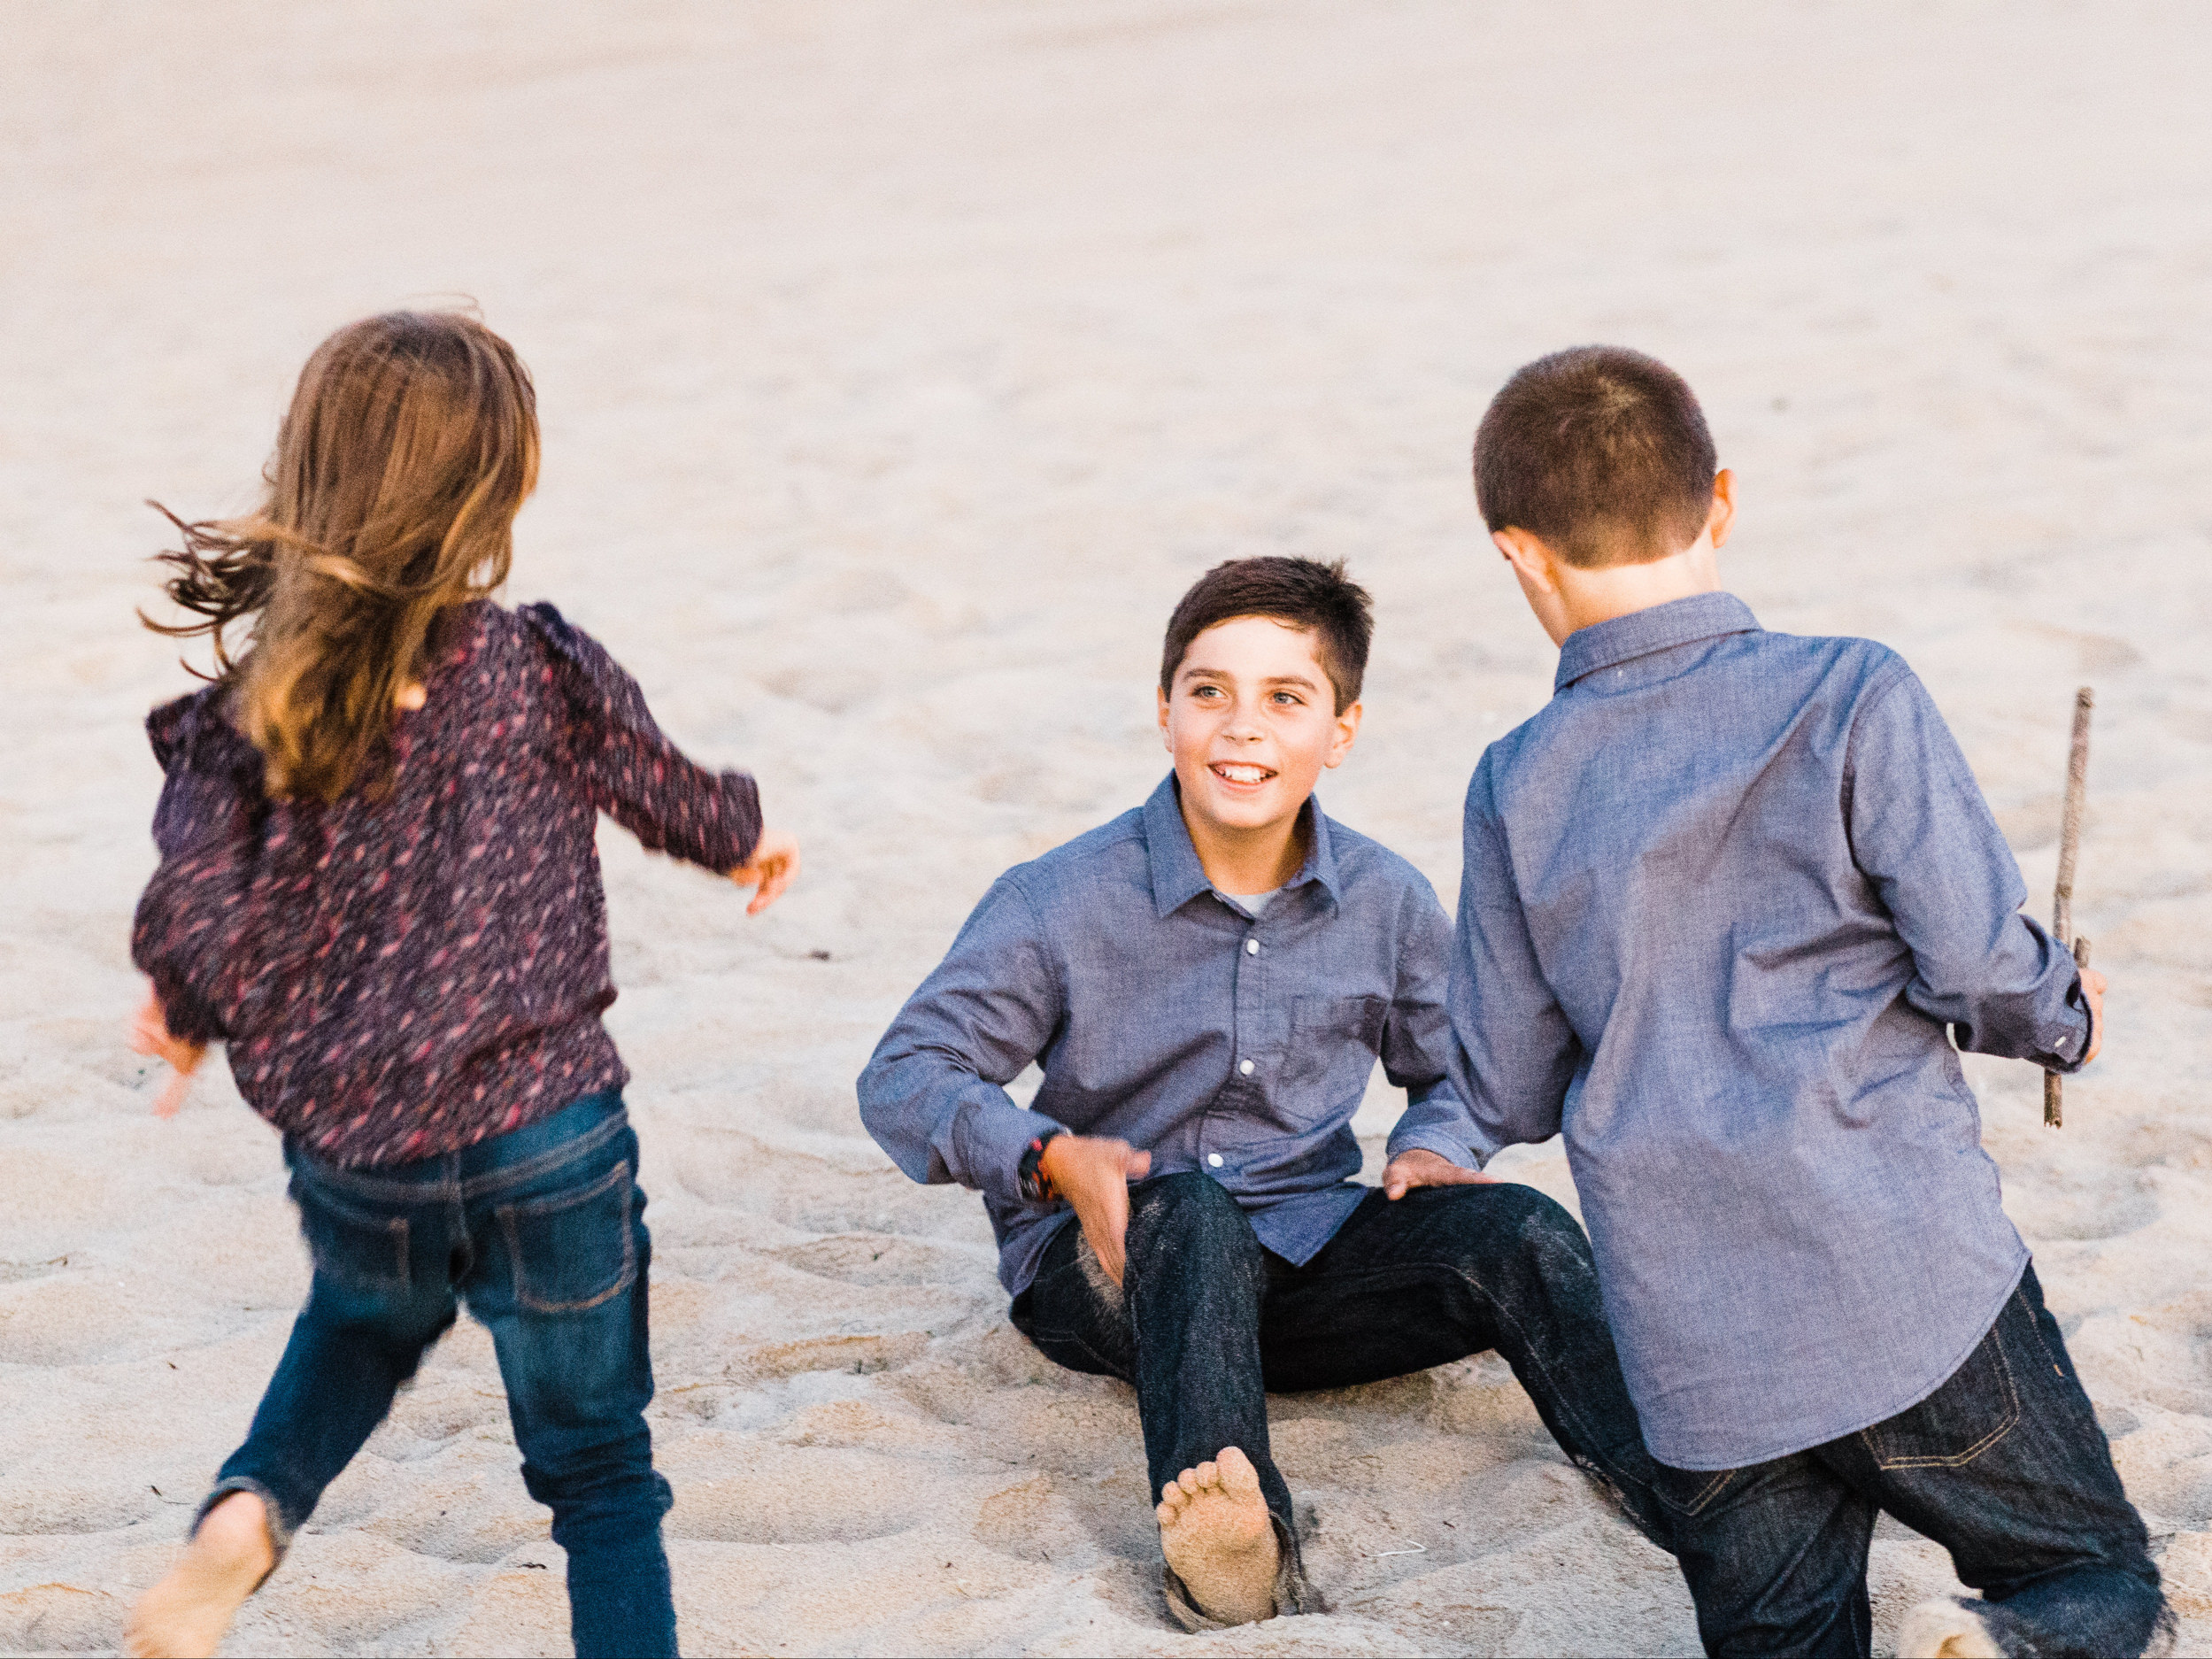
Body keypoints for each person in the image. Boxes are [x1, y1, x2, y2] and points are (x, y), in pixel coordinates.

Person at [1449, 344, 2169, 1659]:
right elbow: (1970, 962)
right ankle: (2003, 1644)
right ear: (1718, 501)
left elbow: (1497, 1080)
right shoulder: (1849, 692)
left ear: (1515, 554)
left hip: (1700, 1356)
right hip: (1903, 1282)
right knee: (2089, 1572)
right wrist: (2058, 1012)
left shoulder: (1512, 782)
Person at [121, 311, 798, 1659]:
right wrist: (743, 835)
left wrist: (184, 1015)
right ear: (497, 492)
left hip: (359, 1142)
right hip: (546, 1130)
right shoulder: (535, 662)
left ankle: (249, 1513)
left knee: (362, 1324)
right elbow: (658, 784)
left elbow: (200, 898)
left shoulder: (256, 706)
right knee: (601, 1473)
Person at [858, 555, 1672, 1631]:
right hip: (1115, 1265)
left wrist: (1436, 1138)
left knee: (1519, 1227)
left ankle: (1693, 1492)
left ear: (1340, 730)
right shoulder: (1058, 899)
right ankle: (1239, 1556)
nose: (1242, 728)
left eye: (1285, 699)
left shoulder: (1383, 897)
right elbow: (906, 1069)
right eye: (1210, 692)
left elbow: (1460, 1067)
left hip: (1305, 1260)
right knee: (1190, 1211)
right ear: (1164, 713)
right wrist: (1048, 1154)